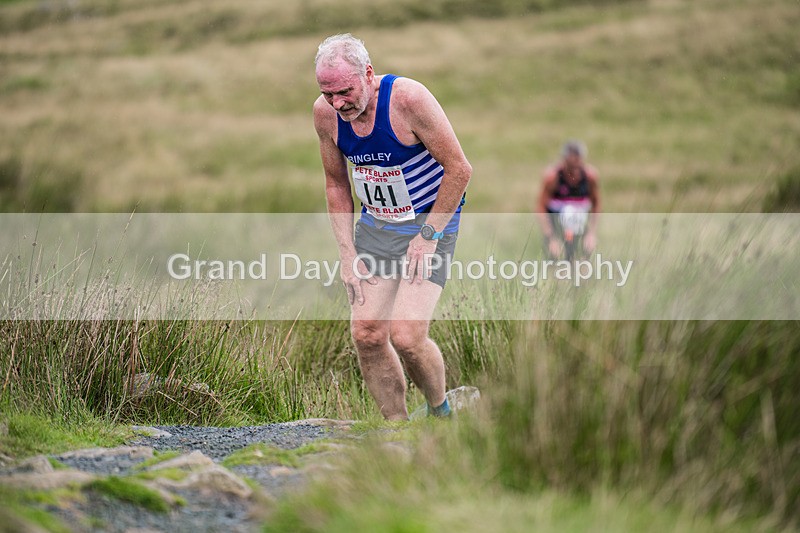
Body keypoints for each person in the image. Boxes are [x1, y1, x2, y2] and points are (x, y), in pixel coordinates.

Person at [313, 34, 472, 421]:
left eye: (345, 91)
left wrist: (427, 237)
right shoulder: (325, 113)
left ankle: (441, 412)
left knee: (407, 336)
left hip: (430, 225)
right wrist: (347, 252)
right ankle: (397, 431)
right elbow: (337, 184)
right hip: (377, 229)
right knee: (367, 334)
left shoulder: (408, 100)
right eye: (328, 93)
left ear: (368, 74)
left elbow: (460, 170)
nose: (338, 103)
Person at [536, 140, 600, 258]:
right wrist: (551, 238)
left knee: (583, 260)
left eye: (578, 162)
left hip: (580, 228)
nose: (575, 169)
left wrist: (591, 233)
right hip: (556, 228)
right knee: (556, 260)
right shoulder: (552, 177)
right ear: (564, 160)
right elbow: (541, 207)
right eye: (571, 165)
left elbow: (596, 204)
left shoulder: (590, 176)